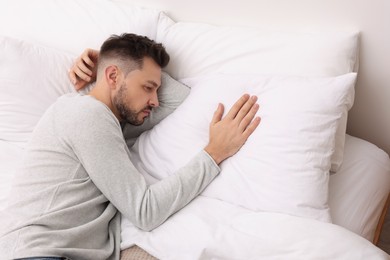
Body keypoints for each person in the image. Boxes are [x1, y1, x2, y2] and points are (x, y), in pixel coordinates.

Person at [0, 33, 260, 260]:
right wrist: (214, 152)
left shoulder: (109, 120)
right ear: (113, 76)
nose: (154, 101)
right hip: (37, 254)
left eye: (155, 90)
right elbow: (145, 211)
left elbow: (177, 99)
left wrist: (105, 64)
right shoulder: (88, 115)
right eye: (148, 88)